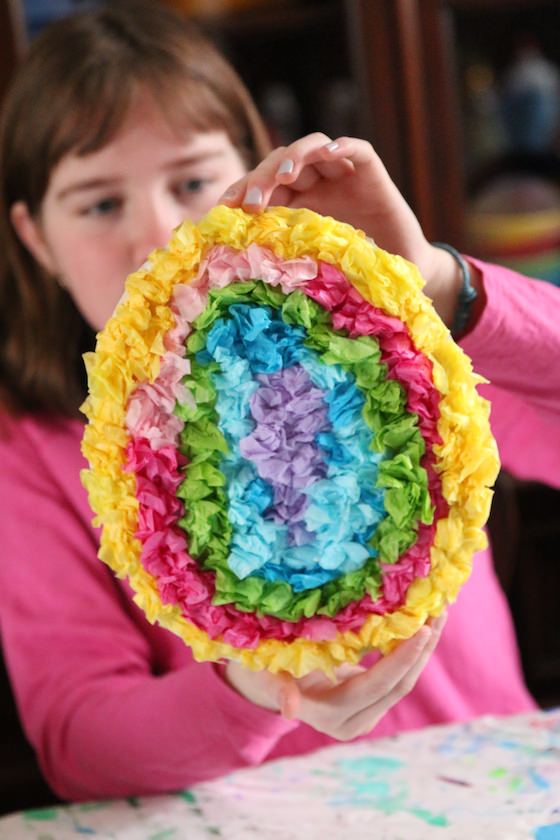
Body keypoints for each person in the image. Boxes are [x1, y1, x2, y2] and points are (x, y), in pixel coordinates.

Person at [0, 1, 558, 803]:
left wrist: (441, 289)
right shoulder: (34, 452)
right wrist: (256, 688)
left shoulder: (374, 347)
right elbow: (80, 744)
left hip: (490, 792)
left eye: (193, 181)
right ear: (36, 238)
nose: (159, 234)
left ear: (258, 175)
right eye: (98, 204)